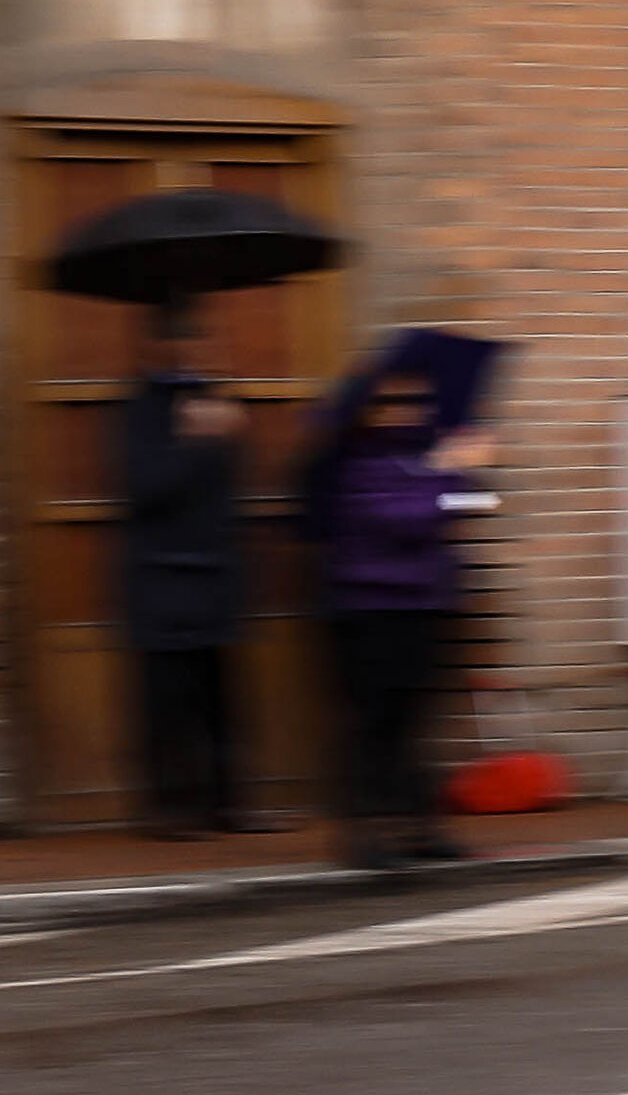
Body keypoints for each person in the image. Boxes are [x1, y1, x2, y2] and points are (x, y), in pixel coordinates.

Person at [308, 365, 497, 870]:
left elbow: (469, 501)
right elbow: (402, 522)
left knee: (414, 725)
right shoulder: (352, 465)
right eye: (394, 403)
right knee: (375, 726)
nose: (407, 412)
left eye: (414, 402)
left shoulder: (418, 461)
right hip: (370, 612)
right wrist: (449, 475)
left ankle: (419, 827)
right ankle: (364, 833)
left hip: (422, 608)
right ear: (369, 412)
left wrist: (459, 474)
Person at [120, 301, 281, 839]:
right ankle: (167, 811)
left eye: (202, 342)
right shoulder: (138, 408)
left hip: (213, 575)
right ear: (158, 348)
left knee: (222, 703)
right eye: (186, 343)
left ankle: (227, 804)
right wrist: (196, 441)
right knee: (167, 704)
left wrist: (229, 434)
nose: (196, 353)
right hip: (162, 580)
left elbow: (227, 491)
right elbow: (144, 489)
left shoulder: (214, 402)